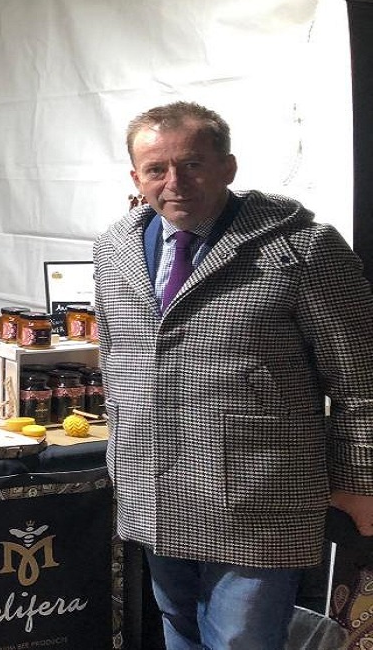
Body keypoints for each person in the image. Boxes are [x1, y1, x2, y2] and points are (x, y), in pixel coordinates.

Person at [93, 100, 373, 650]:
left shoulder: (301, 248)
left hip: (258, 497)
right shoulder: (115, 249)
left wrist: (361, 480)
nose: (175, 183)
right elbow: (116, 357)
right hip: (154, 487)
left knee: (241, 642)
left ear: (228, 167)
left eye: (192, 164)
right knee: (178, 631)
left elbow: (361, 379)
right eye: (156, 169)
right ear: (136, 178)